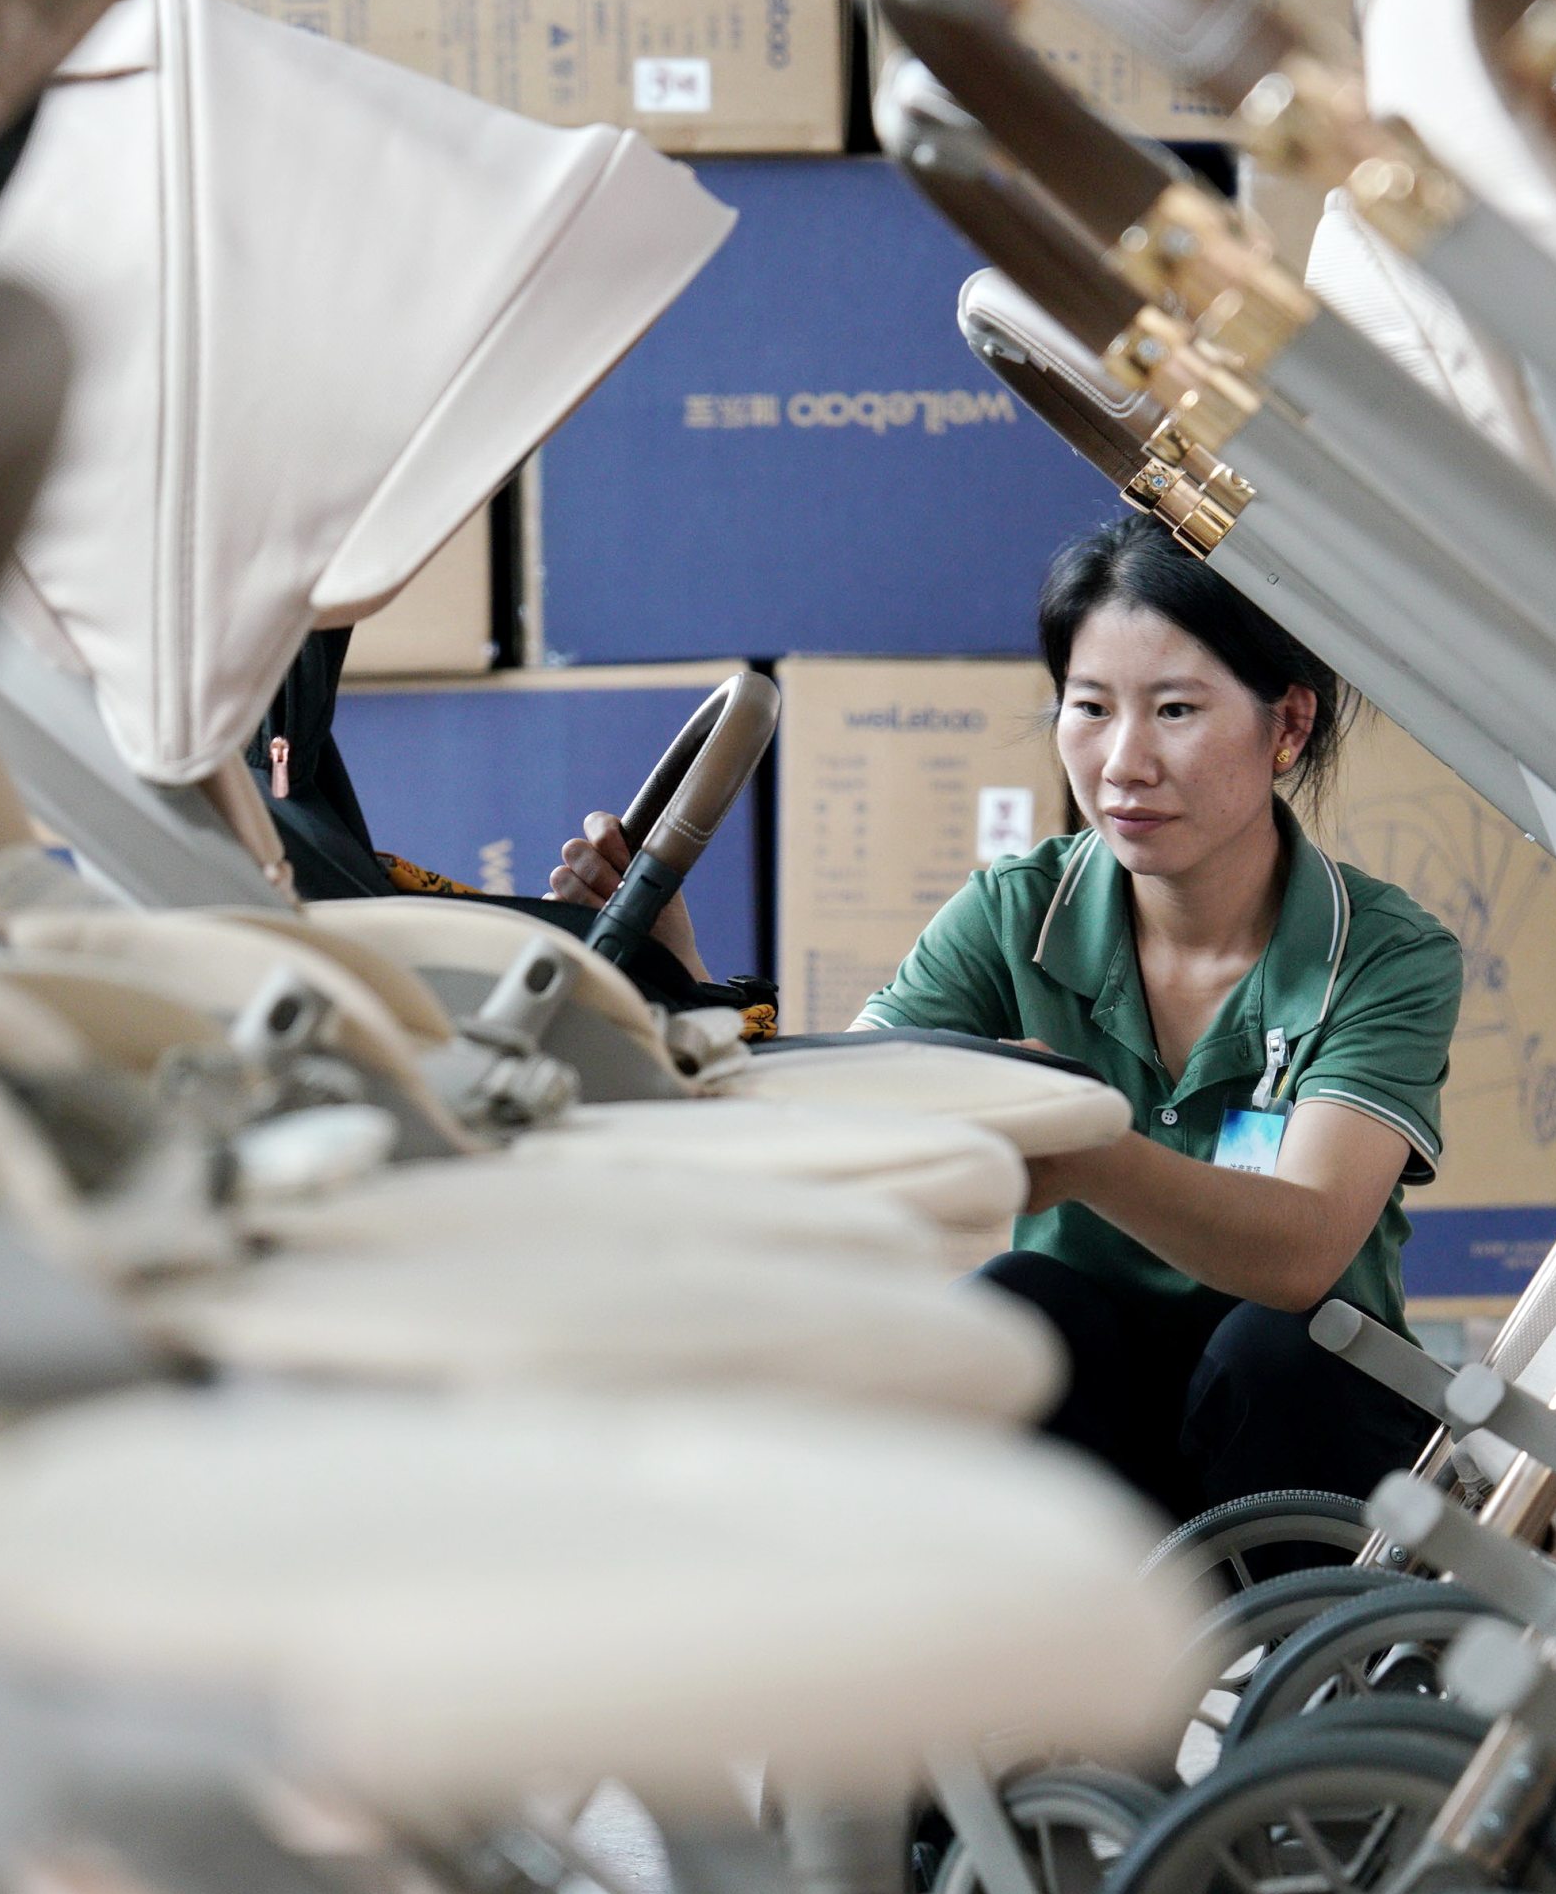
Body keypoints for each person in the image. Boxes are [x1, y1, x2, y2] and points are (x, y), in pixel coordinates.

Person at [551, 516, 1461, 1525]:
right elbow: (847, 1110)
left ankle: (1299, 1673)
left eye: (1173, 709)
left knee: (1282, 1342)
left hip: (1310, 1436)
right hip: (1100, 1427)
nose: (1122, 761)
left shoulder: (1384, 955)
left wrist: (1079, 1145)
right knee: (1021, 1301)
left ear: (1287, 726)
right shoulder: (1013, 912)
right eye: (1089, 707)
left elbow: (1300, 1253)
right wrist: (680, 976)